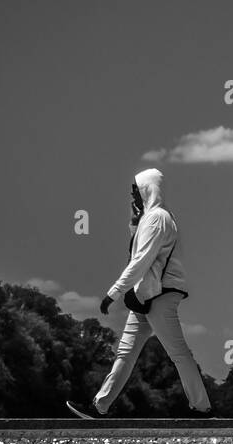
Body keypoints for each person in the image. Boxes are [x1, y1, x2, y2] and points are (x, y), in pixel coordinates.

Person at [66, 168, 212, 418]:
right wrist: (134, 224)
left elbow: (141, 260)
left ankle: (203, 408)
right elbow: (139, 254)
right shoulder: (149, 218)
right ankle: (99, 406)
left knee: (178, 353)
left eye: (135, 190)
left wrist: (114, 292)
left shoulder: (157, 218)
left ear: (147, 189)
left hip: (160, 295)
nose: (132, 195)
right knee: (126, 352)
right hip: (147, 295)